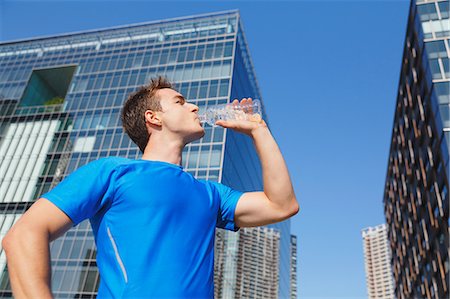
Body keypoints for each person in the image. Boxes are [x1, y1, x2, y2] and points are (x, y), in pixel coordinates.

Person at [2, 76, 299, 298]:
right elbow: (24, 234)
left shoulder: (211, 194)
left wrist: (259, 130)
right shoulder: (112, 173)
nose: (194, 106)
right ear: (153, 117)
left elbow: (282, 205)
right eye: (180, 102)